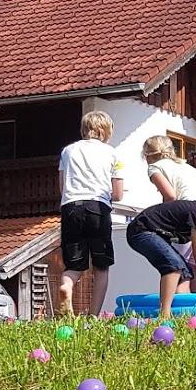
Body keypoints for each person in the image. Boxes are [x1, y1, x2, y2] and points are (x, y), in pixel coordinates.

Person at [126, 183, 196, 320]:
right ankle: (164, 315)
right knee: (174, 267)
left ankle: (181, 315)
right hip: (142, 230)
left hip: (154, 232)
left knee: (185, 273)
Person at [58, 110, 124, 316]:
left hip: (71, 207)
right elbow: (118, 193)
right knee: (101, 266)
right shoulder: (112, 153)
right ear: (105, 130)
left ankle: (67, 286)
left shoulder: (67, 151)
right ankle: (93, 315)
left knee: (74, 265)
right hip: (98, 208)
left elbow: (62, 187)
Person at [142, 136, 196, 203]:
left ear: (147, 155)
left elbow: (170, 197)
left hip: (184, 205)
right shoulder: (189, 168)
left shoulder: (155, 167)